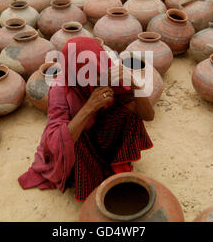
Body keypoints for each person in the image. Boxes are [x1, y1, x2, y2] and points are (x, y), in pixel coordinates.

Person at [18, 37, 155, 201]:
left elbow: (148, 116)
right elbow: (55, 144)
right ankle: (92, 181)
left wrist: (135, 85)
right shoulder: (60, 90)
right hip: (82, 142)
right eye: (91, 75)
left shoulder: (108, 74)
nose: (98, 80)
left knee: (128, 113)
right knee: (71, 139)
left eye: (99, 74)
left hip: (100, 132)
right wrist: (89, 107)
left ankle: (116, 163)